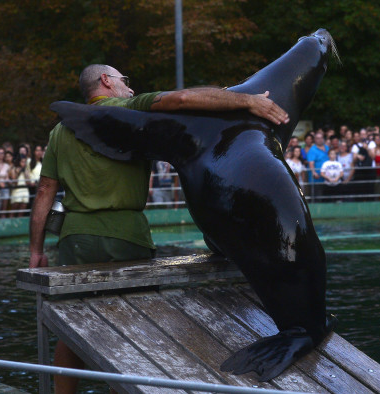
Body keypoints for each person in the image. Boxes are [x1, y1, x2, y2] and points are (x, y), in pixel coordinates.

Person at [28, 63, 289, 394]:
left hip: (74, 238)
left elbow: (44, 193)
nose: (131, 88)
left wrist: (36, 251)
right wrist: (246, 101)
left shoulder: (61, 129)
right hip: (125, 234)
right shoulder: (129, 111)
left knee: (72, 324)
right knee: (125, 326)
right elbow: (180, 100)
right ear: (106, 82)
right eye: (125, 80)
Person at [306, 131, 329, 200]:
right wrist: (313, 172)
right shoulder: (312, 150)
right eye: (318, 138)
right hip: (317, 178)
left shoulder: (327, 147)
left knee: (327, 197)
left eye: (321, 138)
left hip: (327, 177)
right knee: (318, 197)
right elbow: (311, 163)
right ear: (315, 140)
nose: (320, 139)